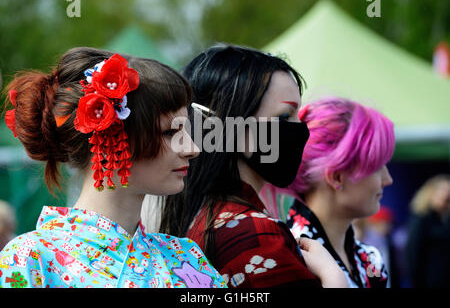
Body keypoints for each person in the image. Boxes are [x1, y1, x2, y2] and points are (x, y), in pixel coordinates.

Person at [0, 47, 225, 288]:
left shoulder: (186, 259)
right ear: (109, 136)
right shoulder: (31, 260)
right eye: (170, 132)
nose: (192, 148)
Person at [159, 44, 348, 288]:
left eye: (298, 115)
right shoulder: (251, 234)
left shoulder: (208, 219)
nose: (301, 130)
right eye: (283, 117)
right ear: (229, 127)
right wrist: (334, 278)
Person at [277, 97, 395, 288]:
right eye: (377, 167)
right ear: (336, 177)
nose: (388, 179)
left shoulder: (369, 259)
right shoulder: (286, 258)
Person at [406, 174, 450, 287]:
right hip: (428, 280)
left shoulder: (445, 218)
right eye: (444, 190)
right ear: (431, 193)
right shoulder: (422, 219)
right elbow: (413, 254)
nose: (447, 194)